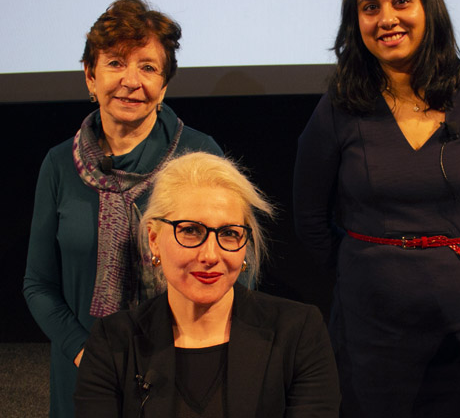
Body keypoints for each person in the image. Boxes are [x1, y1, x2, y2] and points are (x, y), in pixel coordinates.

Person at [292, 0, 460, 417]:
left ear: (429, 7)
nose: (387, 19)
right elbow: (309, 218)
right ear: (355, 21)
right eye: (370, 7)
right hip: (370, 336)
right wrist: (363, 268)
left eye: (401, 1)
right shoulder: (339, 107)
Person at [23, 0, 223, 418]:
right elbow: (38, 284)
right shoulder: (59, 164)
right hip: (85, 368)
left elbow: (238, 271)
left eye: (148, 67)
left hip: (182, 368)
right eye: (115, 63)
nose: (131, 81)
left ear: (165, 84)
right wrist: (84, 352)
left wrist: (197, 349)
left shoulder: (199, 155)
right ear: (89, 76)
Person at [74, 152, 340, 417]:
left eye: (229, 234)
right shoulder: (112, 342)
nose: (211, 255)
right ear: (154, 239)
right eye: (190, 231)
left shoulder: (299, 332)